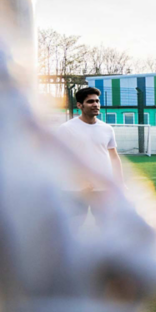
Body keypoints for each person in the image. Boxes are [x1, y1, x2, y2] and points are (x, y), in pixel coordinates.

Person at [57, 87, 124, 227]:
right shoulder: (66, 128)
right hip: (75, 190)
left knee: (107, 227)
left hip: (102, 189)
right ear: (80, 105)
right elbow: (59, 160)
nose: (95, 104)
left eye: (97, 101)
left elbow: (114, 157)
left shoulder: (107, 129)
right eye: (90, 101)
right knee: (72, 228)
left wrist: (119, 183)